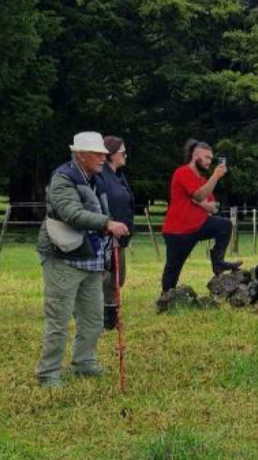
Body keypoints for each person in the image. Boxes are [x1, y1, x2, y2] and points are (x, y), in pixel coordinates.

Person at [35, 132, 130, 387]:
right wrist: (107, 223)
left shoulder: (95, 178)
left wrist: (110, 228)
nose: (103, 157)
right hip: (62, 256)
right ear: (81, 155)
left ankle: (84, 363)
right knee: (59, 318)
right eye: (97, 153)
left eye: (103, 153)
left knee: (93, 317)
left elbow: (103, 209)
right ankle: (48, 373)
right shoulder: (63, 179)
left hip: (90, 256)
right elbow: (72, 214)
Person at [159, 139, 242, 296]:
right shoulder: (182, 172)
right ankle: (166, 297)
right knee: (173, 268)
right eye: (206, 157)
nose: (209, 162)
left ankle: (218, 263)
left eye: (211, 159)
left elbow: (213, 206)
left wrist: (199, 202)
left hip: (199, 225)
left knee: (224, 225)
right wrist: (215, 177)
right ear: (194, 155)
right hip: (179, 230)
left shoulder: (203, 180)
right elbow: (199, 194)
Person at [97, 135, 135, 330]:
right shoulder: (100, 176)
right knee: (104, 277)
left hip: (121, 238)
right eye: (122, 152)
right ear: (111, 154)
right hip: (104, 237)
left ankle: (112, 316)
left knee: (118, 279)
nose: (126, 155)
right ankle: (104, 319)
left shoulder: (120, 176)